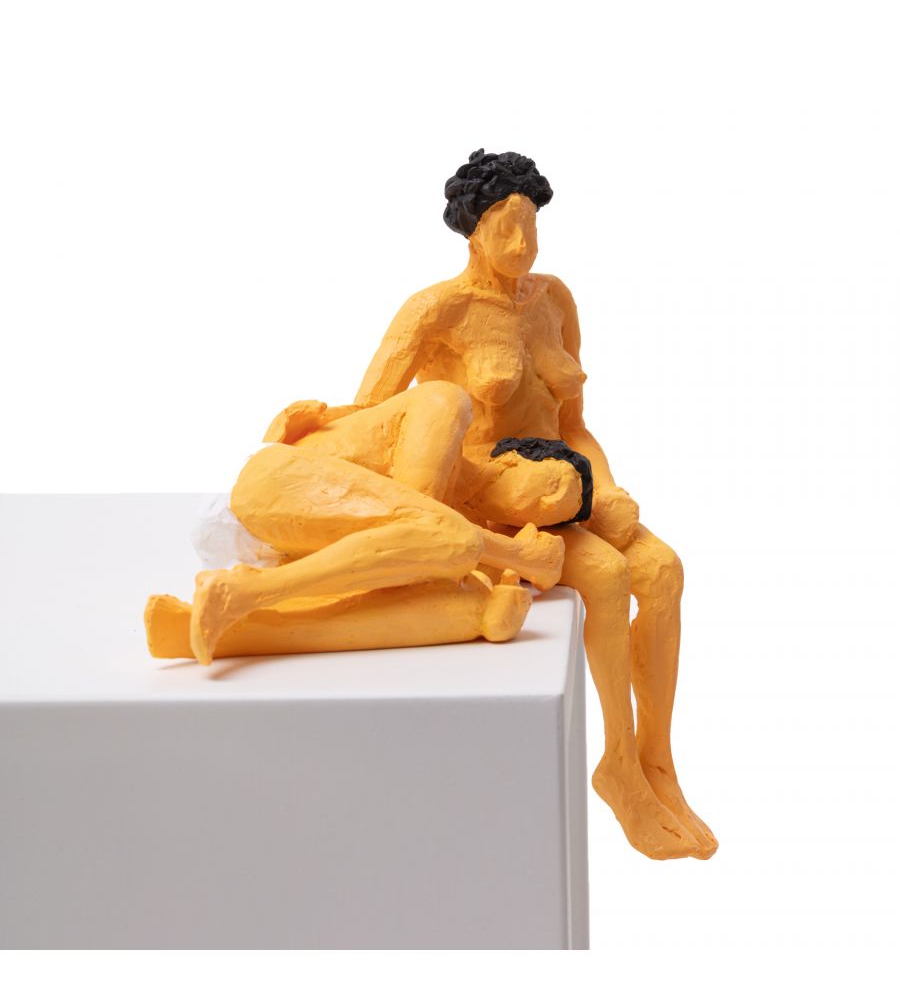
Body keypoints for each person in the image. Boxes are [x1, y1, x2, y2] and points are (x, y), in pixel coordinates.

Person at [354, 149, 717, 861]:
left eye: (531, 227)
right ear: (472, 231)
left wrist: (606, 487)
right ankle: (618, 766)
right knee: (608, 576)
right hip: (496, 496)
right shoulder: (437, 311)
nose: (522, 244)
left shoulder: (554, 301)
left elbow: (574, 424)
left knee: (664, 571)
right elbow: (377, 422)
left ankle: (659, 761)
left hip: (570, 480)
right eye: (505, 228)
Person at [165, 382, 565, 665]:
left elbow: (405, 546)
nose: (546, 508)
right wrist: (517, 554)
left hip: (273, 551)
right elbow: (418, 513)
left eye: (556, 514)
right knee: (453, 540)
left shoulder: (472, 546)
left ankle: (216, 629)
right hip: (263, 487)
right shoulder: (445, 404)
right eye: (554, 486)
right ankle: (244, 592)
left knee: (472, 607)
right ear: (513, 459)